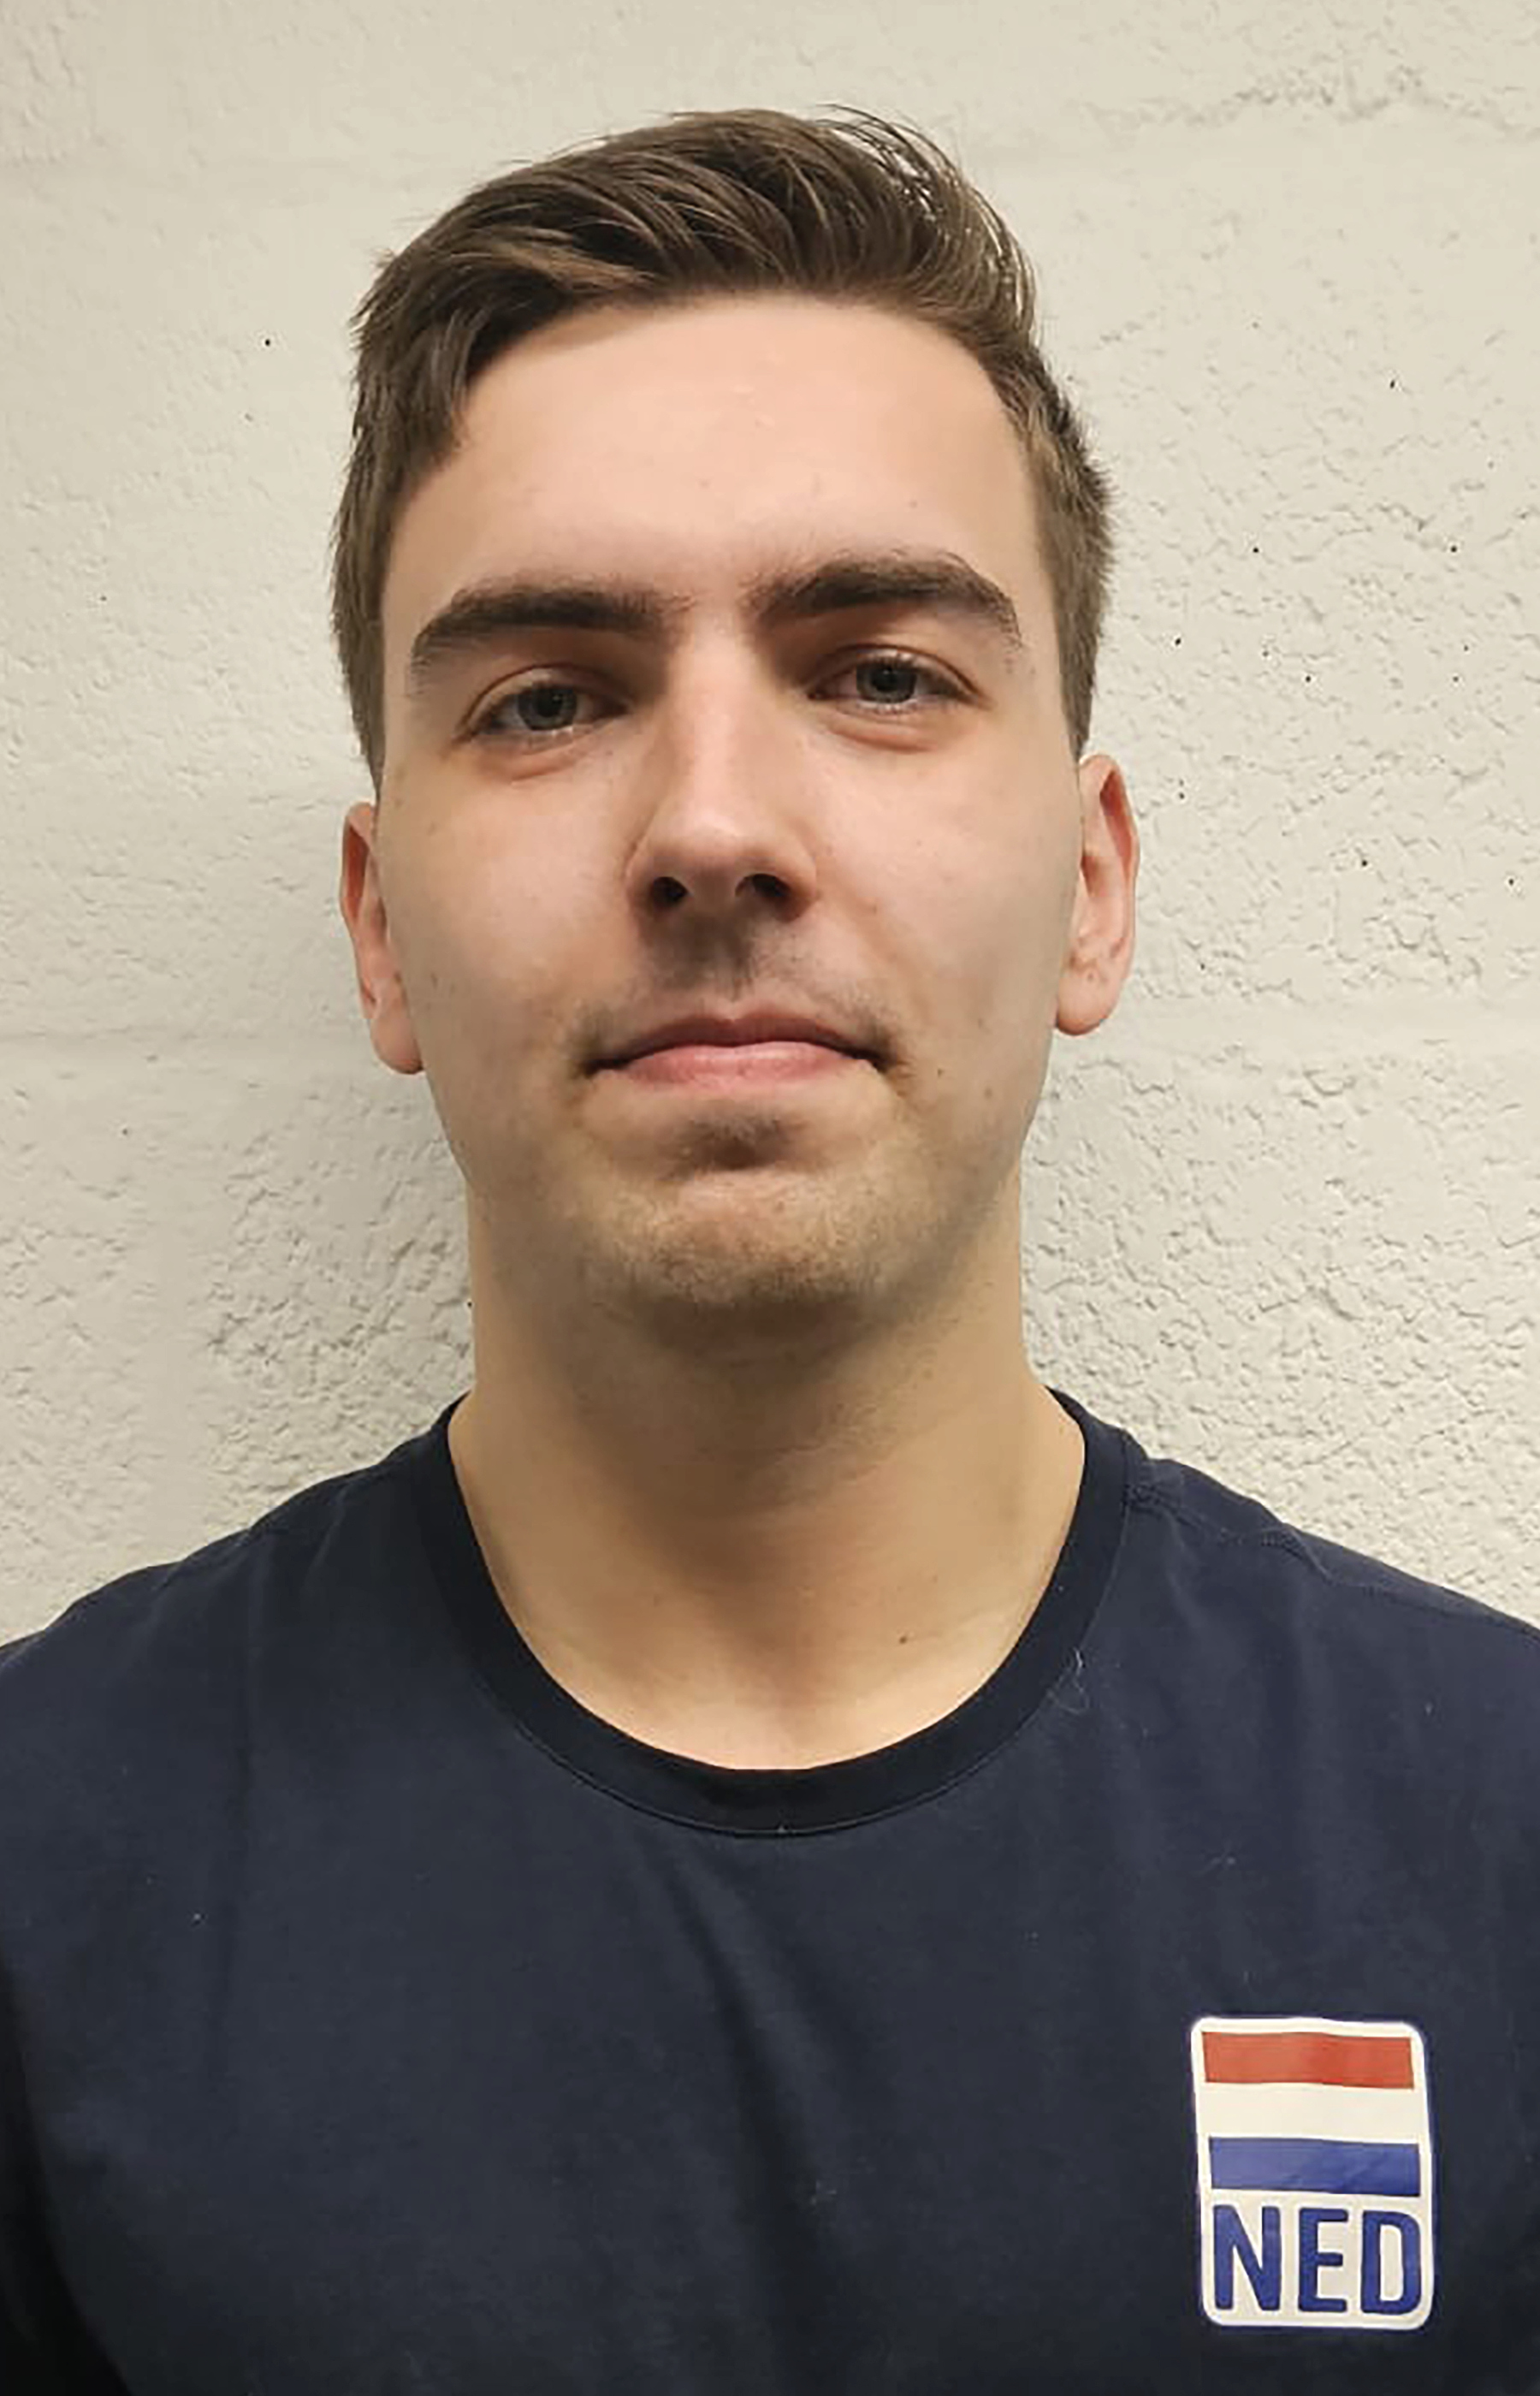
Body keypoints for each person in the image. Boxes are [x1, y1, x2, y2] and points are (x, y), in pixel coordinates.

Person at [1, 104, 1534, 2394]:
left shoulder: (1498, 1837)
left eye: (882, 670)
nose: (714, 825)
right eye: (548, 697)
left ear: (1091, 885)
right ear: (381, 930)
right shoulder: (43, 1878)